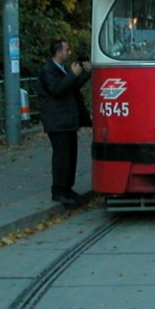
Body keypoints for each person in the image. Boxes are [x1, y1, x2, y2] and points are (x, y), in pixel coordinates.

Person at [36, 38, 91, 207]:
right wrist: (72, 75)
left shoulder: (62, 69)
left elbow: (72, 86)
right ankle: (58, 191)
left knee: (70, 156)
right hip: (57, 121)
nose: (69, 52)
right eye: (67, 50)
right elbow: (57, 90)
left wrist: (86, 73)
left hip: (67, 120)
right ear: (58, 52)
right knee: (61, 156)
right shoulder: (48, 70)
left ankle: (67, 188)